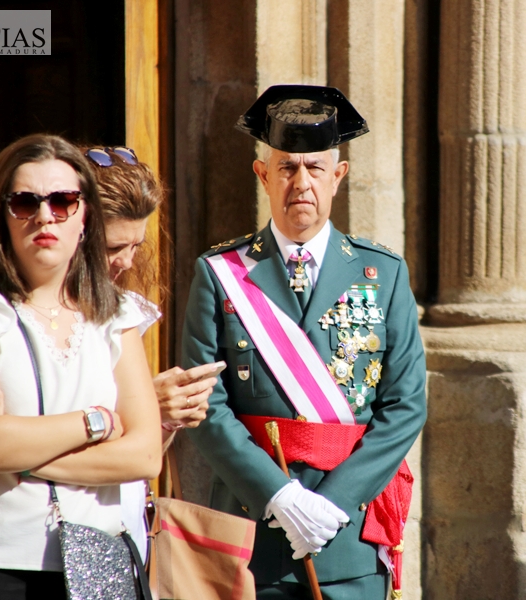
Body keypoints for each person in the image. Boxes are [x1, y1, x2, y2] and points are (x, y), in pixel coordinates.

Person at [181, 85, 427, 599]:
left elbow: (405, 406)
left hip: (350, 536)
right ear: (262, 174)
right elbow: (203, 405)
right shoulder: (220, 273)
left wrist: (334, 502)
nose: (301, 183)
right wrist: (278, 496)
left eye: (315, 168)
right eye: (287, 167)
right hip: (252, 530)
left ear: (338, 176)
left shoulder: (382, 273)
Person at [0, 134, 162, 598]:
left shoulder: (117, 316)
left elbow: (144, 455)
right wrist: (97, 422)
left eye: (63, 200)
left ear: (85, 217)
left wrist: (19, 447)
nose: (45, 215)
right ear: (1, 216)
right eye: (25, 201)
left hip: (98, 559)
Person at [81, 145, 221, 561]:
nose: (126, 261)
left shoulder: (124, 313)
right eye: (112, 248)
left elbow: (143, 459)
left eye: (137, 246)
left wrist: (164, 417)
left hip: (122, 536)